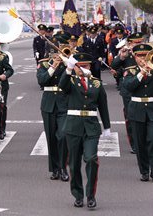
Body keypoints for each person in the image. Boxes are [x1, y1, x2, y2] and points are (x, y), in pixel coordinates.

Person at [59, 52, 111, 208]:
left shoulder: (96, 83)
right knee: (74, 164)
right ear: (75, 67)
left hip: (91, 127)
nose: (83, 69)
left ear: (90, 67)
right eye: (80, 66)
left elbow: (103, 105)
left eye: (86, 66)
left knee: (91, 159)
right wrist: (68, 69)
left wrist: (107, 126)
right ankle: (78, 194)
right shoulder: (70, 81)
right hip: (73, 126)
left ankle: (91, 195)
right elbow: (62, 86)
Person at [123, 44, 153, 183]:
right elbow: (128, 86)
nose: (142, 58)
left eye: (145, 55)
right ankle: (144, 171)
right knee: (140, 142)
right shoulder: (130, 71)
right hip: (137, 108)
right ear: (135, 57)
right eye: (140, 56)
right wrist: (141, 73)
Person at [36, 37, 69, 182]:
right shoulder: (44, 64)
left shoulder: (68, 64)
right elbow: (42, 80)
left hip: (64, 104)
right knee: (51, 139)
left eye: (59, 52)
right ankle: (54, 169)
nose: (57, 56)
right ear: (50, 54)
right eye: (54, 53)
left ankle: (63, 168)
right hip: (48, 105)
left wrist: (67, 64)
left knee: (62, 136)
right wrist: (53, 67)